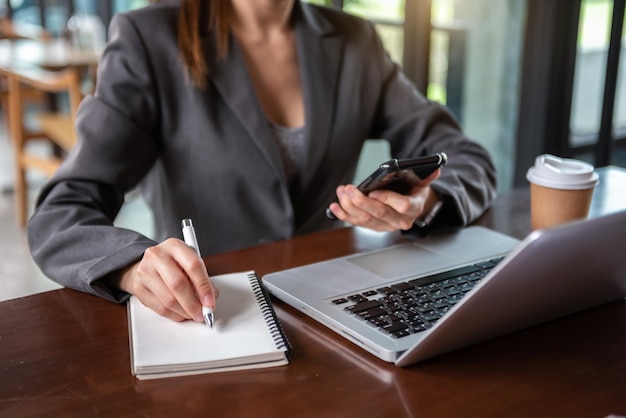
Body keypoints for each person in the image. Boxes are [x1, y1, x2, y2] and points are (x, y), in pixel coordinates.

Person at [28, 0, 496, 324]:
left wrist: (427, 201)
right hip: (211, 313)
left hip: (335, 309)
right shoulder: (148, 38)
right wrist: (132, 266)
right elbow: (62, 213)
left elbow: (467, 157)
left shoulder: (355, 40)